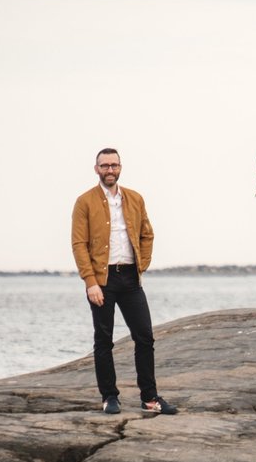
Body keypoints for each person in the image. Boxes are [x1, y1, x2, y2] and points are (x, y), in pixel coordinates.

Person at [70, 148, 177, 415]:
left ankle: (150, 398)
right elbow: (78, 244)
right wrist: (90, 282)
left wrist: (142, 264)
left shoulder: (135, 199)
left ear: (120, 167)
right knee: (104, 340)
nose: (110, 170)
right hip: (101, 279)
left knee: (145, 337)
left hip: (130, 277)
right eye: (104, 166)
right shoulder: (84, 202)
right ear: (96, 169)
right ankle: (109, 397)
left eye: (114, 165)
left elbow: (147, 235)